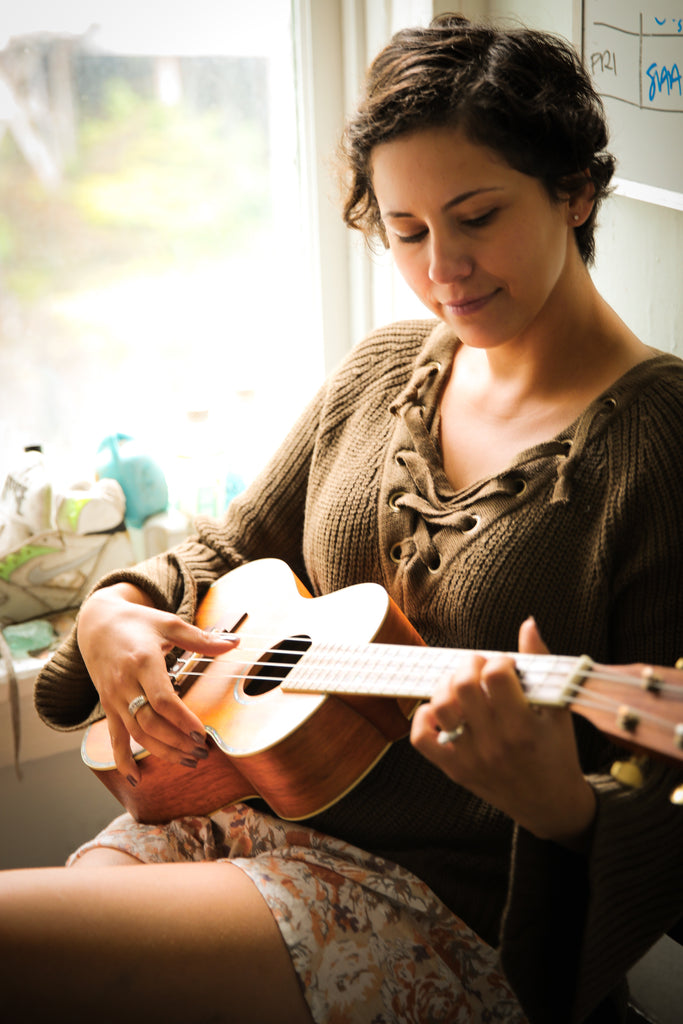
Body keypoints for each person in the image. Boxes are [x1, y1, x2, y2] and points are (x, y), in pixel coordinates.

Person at [2, 13, 683, 1024]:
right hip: (245, 818)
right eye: (405, 233)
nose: (440, 267)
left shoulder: (659, 447)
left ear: (575, 189)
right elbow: (231, 550)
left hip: (453, 916)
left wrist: (562, 808)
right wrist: (119, 602)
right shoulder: (381, 371)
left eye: (476, 216)